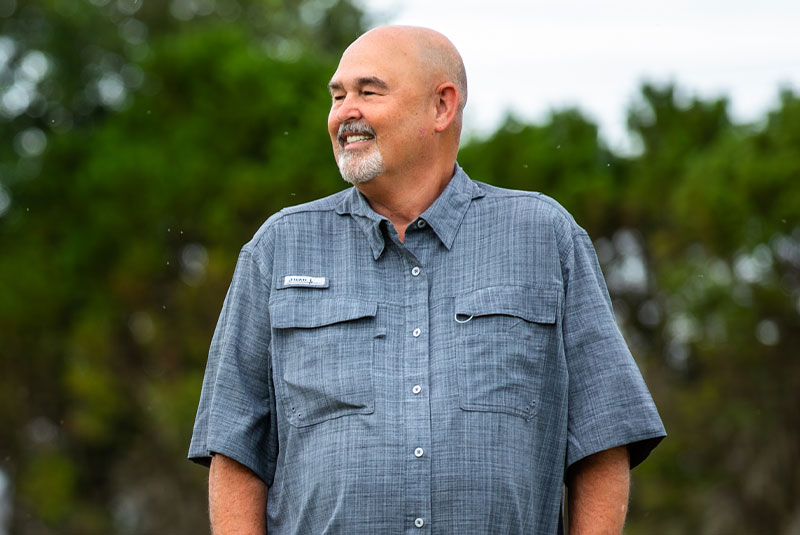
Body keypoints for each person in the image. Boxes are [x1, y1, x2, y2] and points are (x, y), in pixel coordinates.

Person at [189, 25, 666, 535]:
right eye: (337, 95)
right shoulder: (278, 247)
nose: (345, 112)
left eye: (369, 92)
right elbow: (236, 450)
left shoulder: (546, 237)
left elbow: (603, 438)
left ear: (442, 106)